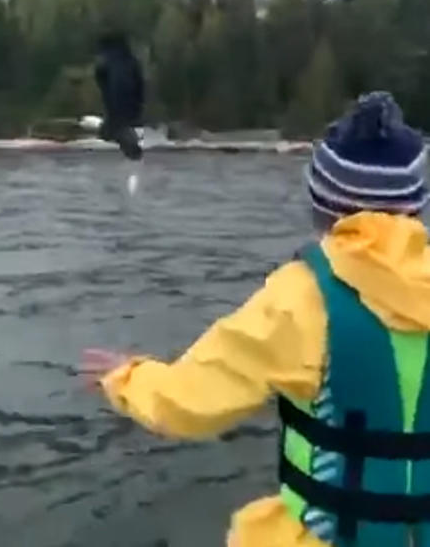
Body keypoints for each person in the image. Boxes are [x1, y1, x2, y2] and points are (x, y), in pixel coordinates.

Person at [82, 91, 430, 546]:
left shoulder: (300, 299)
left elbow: (192, 402)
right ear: (416, 208)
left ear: (320, 207)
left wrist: (125, 378)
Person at [93, 33, 144, 160]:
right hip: (125, 110)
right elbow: (139, 85)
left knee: (116, 131)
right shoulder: (129, 61)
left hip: (120, 111)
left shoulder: (111, 62)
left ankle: (131, 150)